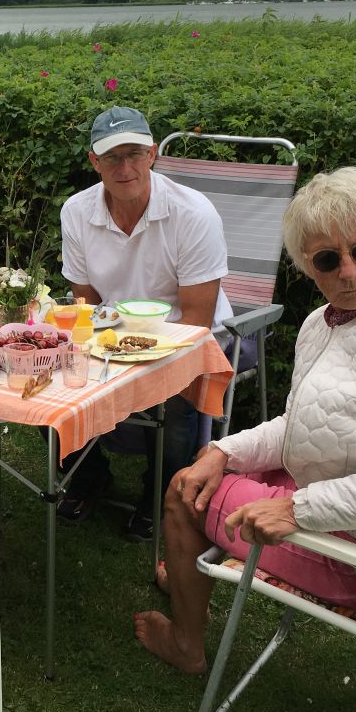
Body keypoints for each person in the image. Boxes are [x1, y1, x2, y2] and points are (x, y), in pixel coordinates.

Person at [135, 166, 356, 674]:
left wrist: (298, 510)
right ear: (307, 266)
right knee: (206, 466)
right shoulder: (322, 323)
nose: (348, 270)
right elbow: (301, 423)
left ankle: (186, 642)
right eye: (327, 259)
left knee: (183, 493)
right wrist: (223, 451)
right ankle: (190, 567)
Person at [58, 105, 232, 540]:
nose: (125, 167)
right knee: (56, 373)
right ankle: (88, 476)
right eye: (112, 157)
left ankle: (161, 494)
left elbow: (196, 320)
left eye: (134, 153)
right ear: (94, 162)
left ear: (153, 154)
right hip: (113, 334)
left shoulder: (193, 213)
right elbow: (86, 300)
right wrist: (102, 348)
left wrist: (133, 358)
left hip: (186, 336)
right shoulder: (77, 212)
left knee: (173, 399)